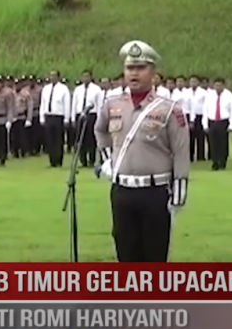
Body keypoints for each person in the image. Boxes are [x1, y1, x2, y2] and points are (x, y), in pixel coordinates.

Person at [94, 40, 190, 262]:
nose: (134, 73)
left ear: (153, 72)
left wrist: (179, 194)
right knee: (126, 252)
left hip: (155, 192)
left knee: (154, 255)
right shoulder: (112, 104)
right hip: (122, 191)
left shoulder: (169, 109)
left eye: (140, 68)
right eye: (130, 68)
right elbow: (100, 131)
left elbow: (181, 152)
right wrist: (110, 161)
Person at [202, 77, 232, 170]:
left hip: (223, 121)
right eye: (216, 85)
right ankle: (215, 162)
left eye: (220, 85)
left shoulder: (229, 95)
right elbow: (205, 110)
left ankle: (222, 162)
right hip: (212, 121)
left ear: (224, 86)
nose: (218, 87)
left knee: (223, 143)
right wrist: (205, 124)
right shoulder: (210, 95)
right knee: (213, 143)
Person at [40, 70, 71, 168]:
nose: (52, 77)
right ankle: (52, 161)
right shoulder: (46, 88)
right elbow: (43, 103)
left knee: (58, 139)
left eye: (54, 76)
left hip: (59, 116)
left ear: (58, 77)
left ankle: (58, 160)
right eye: (50, 75)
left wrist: (66, 118)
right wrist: (42, 117)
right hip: (48, 115)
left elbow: (67, 104)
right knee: (49, 140)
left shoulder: (63, 89)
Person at [71, 70, 102, 167]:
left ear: (91, 77)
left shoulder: (96, 89)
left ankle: (91, 159)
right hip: (80, 114)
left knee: (91, 138)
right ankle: (82, 160)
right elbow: (74, 104)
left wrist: (99, 118)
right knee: (81, 138)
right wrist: (73, 117)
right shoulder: (78, 89)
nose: (85, 78)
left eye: (87, 76)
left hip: (91, 114)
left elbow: (99, 104)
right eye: (83, 76)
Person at [11, 78, 33, 158]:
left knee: (22, 136)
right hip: (14, 117)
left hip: (22, 116)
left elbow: (29, 106)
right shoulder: (11, 93)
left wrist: (29, 119)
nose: (17, 86)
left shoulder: (26, 94)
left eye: (18, 84)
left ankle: (23, 151)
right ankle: (15, 151)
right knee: (14, 136)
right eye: (15, 84)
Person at [187, 75, 207, 162]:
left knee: (200, 137)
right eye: (191, 81)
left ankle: (201, 156)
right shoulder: (186, 92)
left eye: (195, 81)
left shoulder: (203, 93)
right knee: (190, 137)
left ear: (198, 83)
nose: (193, 83)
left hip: (200, 115)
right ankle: (190, 156)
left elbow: (206, 105)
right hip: (189, 115)